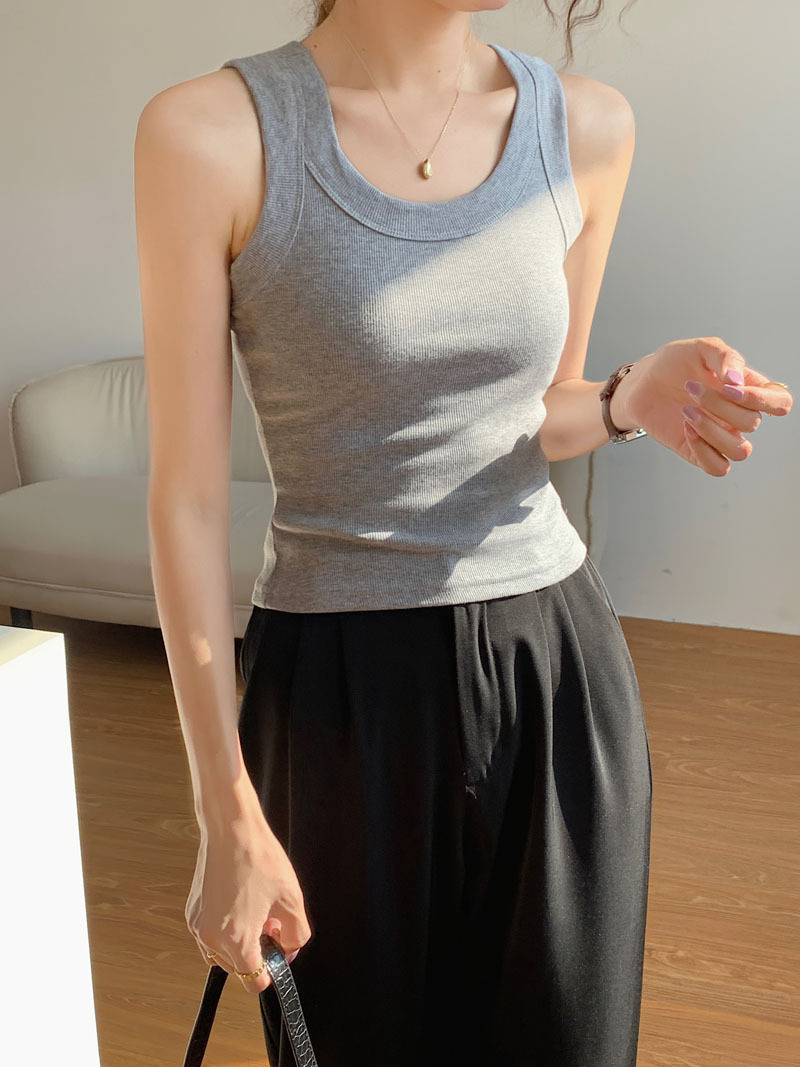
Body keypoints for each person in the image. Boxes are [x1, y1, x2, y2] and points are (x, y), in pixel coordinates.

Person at [133, 1, 792, 1064]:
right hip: (340, 692)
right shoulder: (213, 133)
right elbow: (189, 501)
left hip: (554, 667)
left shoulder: (585, 125)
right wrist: (226, 811)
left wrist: (625, 394)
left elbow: (541, 412)